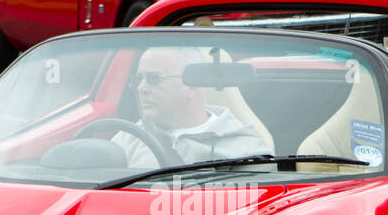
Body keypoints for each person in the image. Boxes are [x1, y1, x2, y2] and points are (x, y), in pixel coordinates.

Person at [112, 46, 270, 170]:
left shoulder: (245, 149)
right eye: (139, 79)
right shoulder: (128, 139)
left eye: (154, 79)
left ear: (190, 85)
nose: (141, 88)